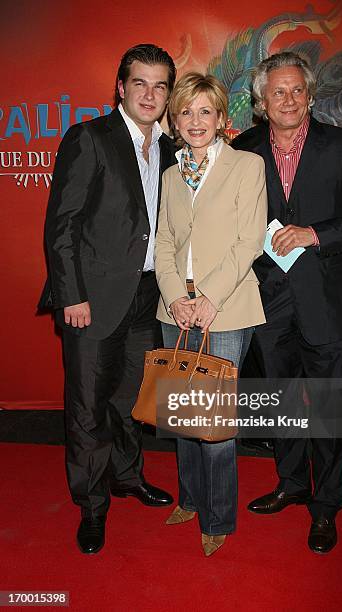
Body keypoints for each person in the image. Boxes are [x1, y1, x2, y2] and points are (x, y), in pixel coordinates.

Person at [232, 51, 342, 553]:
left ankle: (326, 507)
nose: (289, 99)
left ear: (311, 94)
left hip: (328, 303)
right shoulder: (243, 149)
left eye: (297, 89)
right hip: (267, 305)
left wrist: (314, 234)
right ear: (261, 101)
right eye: (278, 91)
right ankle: (291, 483)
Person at [38, 44, 177, 554]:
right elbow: (62, 225)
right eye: (140, 83)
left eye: (160, 85)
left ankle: (127, 477)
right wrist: (70, 295)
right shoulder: (90, 138)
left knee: (130, 401)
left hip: (146, 297)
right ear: (121, 87)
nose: (150, 93)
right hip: (91, 300)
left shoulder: (171, 148)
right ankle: (92, 506)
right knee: (88, 407)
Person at [154, 72, 267, 556]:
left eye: (206, 111)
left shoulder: (247, 165)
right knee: (182, 416)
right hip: (174, 308)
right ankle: (190, 498)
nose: (195, 120)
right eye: (186, 111)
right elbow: (162, 243)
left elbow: (249, 242)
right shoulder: (170, 175)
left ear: (222, 119)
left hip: (227, 308)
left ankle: (218, 517)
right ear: (174, 120)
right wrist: (176, 296)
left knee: (215, 423)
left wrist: (209, 298)